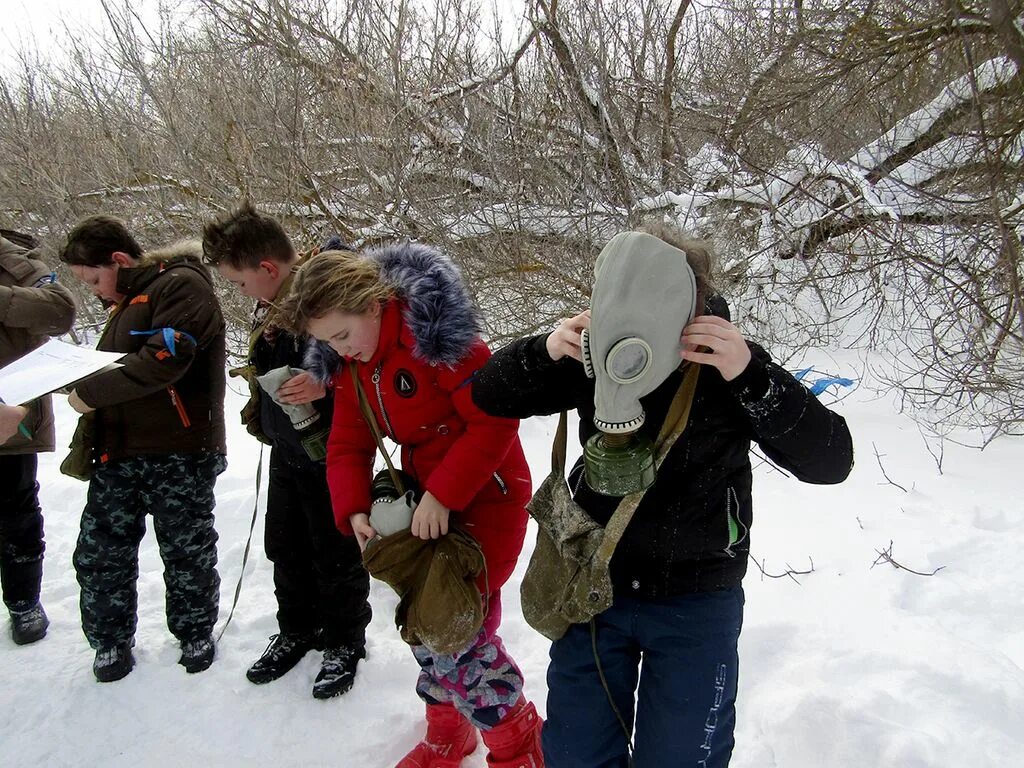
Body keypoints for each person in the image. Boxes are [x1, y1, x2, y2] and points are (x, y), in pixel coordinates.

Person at [471, 220, 855, 768]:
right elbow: (487, 394)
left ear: (694, 303)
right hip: (595, 582)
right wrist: (542, 351)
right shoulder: (593, 356)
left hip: (695, 594)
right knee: (576, 752)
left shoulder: (724, 366)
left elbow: (831, 460)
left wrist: (750, 374)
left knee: (681, 755)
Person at [281, 242, 544, 767]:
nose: (339, 349)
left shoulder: (440, 339)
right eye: (325, 342)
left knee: (457, 628)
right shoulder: (353, 364)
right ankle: (449, 728)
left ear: (374, 304)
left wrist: (445, 494)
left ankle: (516, 737)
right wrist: (353, 507)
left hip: (485, 495)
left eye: (342, 335)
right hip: (423, 504)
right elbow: (348, 442)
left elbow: (495, 420)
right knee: (429, 623)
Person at [201, 203, 372, 699]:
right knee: (285, 545)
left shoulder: (330, 290)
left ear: (268, 268)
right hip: (287, 448)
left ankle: (344, 639)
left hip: (334, 450)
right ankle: (297, 628)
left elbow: (371, 361)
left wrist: (326, 382)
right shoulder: (273, 302)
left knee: (336, 549)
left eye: (239, 283)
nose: (240, 293)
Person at [60, 215, 227, 682]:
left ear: (117, 260)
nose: (93, 290)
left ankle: (195, 632)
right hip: (117, 452)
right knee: (100, 552)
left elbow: (164, 358)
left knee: (186, 549)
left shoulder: (180, 284)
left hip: (180, 449)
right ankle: (109, 641)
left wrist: (89, 394)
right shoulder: (122, 306)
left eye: (93, 279)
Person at [0, 230, 76, 645]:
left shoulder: (10, 255)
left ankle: (23, 602)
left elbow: (61, 311)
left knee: (16, 512)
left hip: (10, 413)